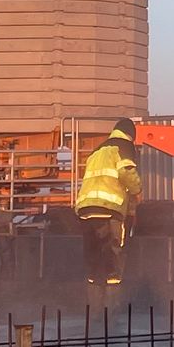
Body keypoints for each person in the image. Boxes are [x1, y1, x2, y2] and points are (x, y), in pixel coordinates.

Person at [75, 119, 142, 291]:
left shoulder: (97, 151)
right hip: (109, 208)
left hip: (86, 210)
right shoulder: (124, 146)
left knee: (94, 257)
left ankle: (95, 311)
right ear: (131, 135)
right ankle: (110, 311)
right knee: (113, 257)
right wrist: (137, 190)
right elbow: (126, 172)